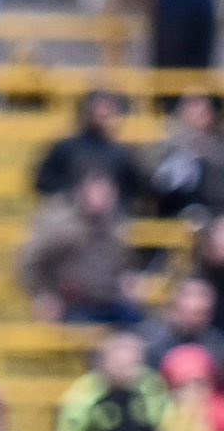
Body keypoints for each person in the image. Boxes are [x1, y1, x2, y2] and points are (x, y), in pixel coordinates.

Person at [53, 330, 176, 431]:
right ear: (103, 362)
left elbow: (168, 429)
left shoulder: (150, 388)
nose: (127, 371)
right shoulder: (82, 396)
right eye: (120, 364)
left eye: (133, 365)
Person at [17, 170, 139, 326]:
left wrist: (126, 281)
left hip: (110, 301)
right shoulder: (61, 227)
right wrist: (44, 295)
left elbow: (123, 265)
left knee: (141, 328)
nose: (103, 198)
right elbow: (29, 263)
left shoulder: (116, 229)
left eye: (107, 193)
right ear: (82, 193)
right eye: (98, 192)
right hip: (74, 305)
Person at [32, 90, 142, 207]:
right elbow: (43, 181)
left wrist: (109, 195)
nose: (102, 115)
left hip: (110, 216)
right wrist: (76, 193)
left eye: (107, 110)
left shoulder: (121, 153)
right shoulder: (66, 148)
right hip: (70, 212)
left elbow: (136, 188)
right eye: (98, 110)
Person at [143, 94, 224, 221]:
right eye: (188, 105)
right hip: (170, 214)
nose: (192, 112)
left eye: (198, 105)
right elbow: (152, 180)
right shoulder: (167, 145)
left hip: (212, 216)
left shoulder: (217, 149)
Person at [137, 277, 224, 371]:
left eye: (200, 313)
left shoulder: (217, 346)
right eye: (187, 311)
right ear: (174, 306)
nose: (193, 320)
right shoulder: (147, 338)